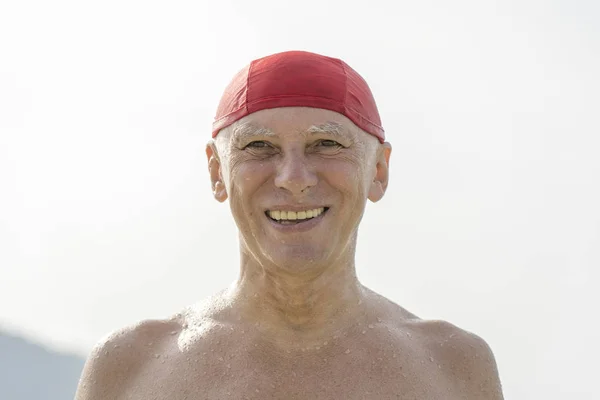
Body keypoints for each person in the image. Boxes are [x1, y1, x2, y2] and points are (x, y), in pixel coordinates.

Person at [75, 50, 504, 399]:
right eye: (259, 146)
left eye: (326, 144)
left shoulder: (454, 370)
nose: (294, 178)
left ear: (378, 171)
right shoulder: (130, 370)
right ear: (216, 173)